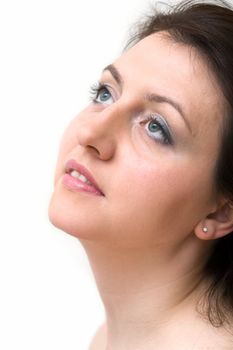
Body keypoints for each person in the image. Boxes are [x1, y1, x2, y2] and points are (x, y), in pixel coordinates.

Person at [48, 0, 233, 348]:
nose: (90, 135)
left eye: (155, 128)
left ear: (220, 211)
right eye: (106, 94)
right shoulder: (107, 339)